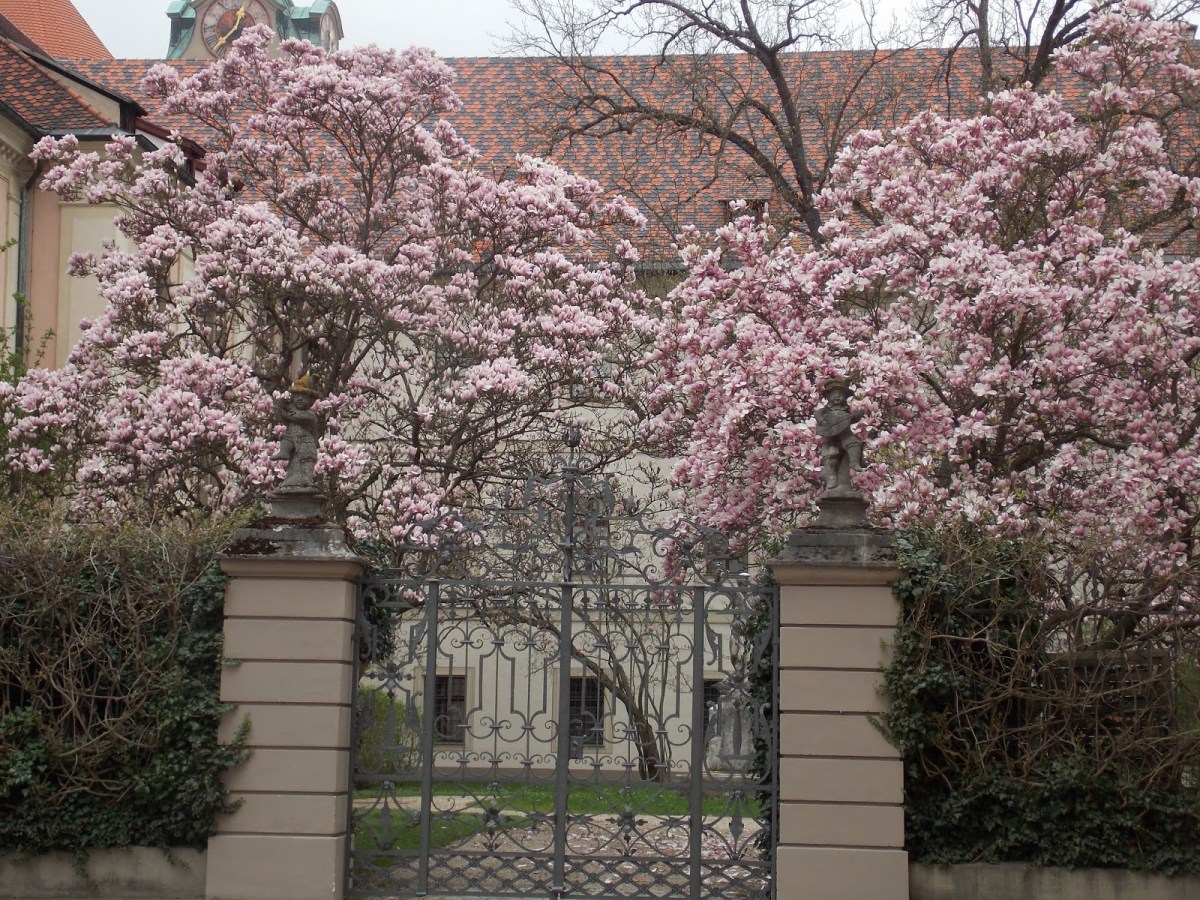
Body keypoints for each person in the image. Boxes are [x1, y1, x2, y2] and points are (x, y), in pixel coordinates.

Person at [814, 377, 863, 491]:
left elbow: (850, 420)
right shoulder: (827, 410)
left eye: (840, 394)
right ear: (828, 397)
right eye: (834, 394)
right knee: (832, 457)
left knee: (854, 443)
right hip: (832, 438)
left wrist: (858, 415)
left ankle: (854, 462)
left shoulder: (846, 411)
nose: (837, 396)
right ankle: (831, 477)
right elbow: (818, 414)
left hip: (845, 434)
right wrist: (822, 421)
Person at [272, 374, 319, 491]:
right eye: (297, 396)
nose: (300, 399)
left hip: (305, 443)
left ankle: (307, 481)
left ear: (311, 400)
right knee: (293, 466)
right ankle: (284, 452)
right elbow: (284, 418)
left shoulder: (309, 414)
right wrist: (280, 407)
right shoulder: (292, 412)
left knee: (306, 463)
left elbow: (299, 418)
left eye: (304, 396)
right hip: (292, 442)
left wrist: (288, 414)